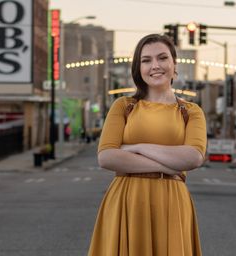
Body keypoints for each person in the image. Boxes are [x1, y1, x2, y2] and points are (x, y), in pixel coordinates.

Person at [88, 34, 207, 256]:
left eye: (162, 58)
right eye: (146, 60)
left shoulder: (191, 111)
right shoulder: (123, 106)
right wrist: (168, 167)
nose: (155, 66)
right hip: (127, 200)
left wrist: (137, 147)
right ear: (138, 67)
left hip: (172, 203)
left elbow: (193, 157)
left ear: (174, 64)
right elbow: (107, 157)